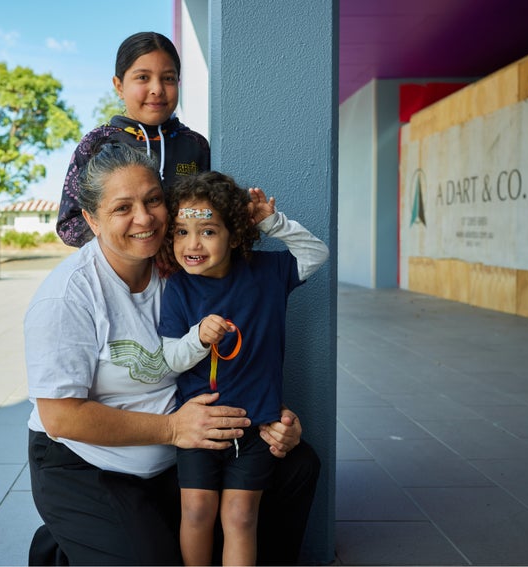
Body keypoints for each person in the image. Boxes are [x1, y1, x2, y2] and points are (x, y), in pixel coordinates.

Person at [26, 142, 320, 566]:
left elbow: (238, 350)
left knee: (296, 466)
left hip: (176, 455)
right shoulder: (67, 297)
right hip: (88, 463)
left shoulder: (183, 267)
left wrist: (273, 413)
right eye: (122, 207)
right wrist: (172, 430)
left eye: (153, 200)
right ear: (91, 218)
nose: (144, 218)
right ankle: (67, 542)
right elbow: (61, 417)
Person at [158, 172, 329, 566]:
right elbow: (170, 359)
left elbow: (316, 254)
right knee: (197, 511)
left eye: (207, 231)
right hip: (200, 427)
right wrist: (197, 338)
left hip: (256, 428)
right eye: (181, 231)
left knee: (240, 516)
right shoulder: (178, 288)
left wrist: (272, 222)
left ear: (235, 236)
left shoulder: (268, 273)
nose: (192, 244)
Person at [56, 31, 210, 247]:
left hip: (184, 273)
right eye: (143, 78)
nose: (157, 89)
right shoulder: (96, 144)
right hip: (122, 276)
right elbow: (69, 224)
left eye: (168, 78)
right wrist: (131, 247)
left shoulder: (196, 145)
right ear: (119, 86)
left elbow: (210, 212)